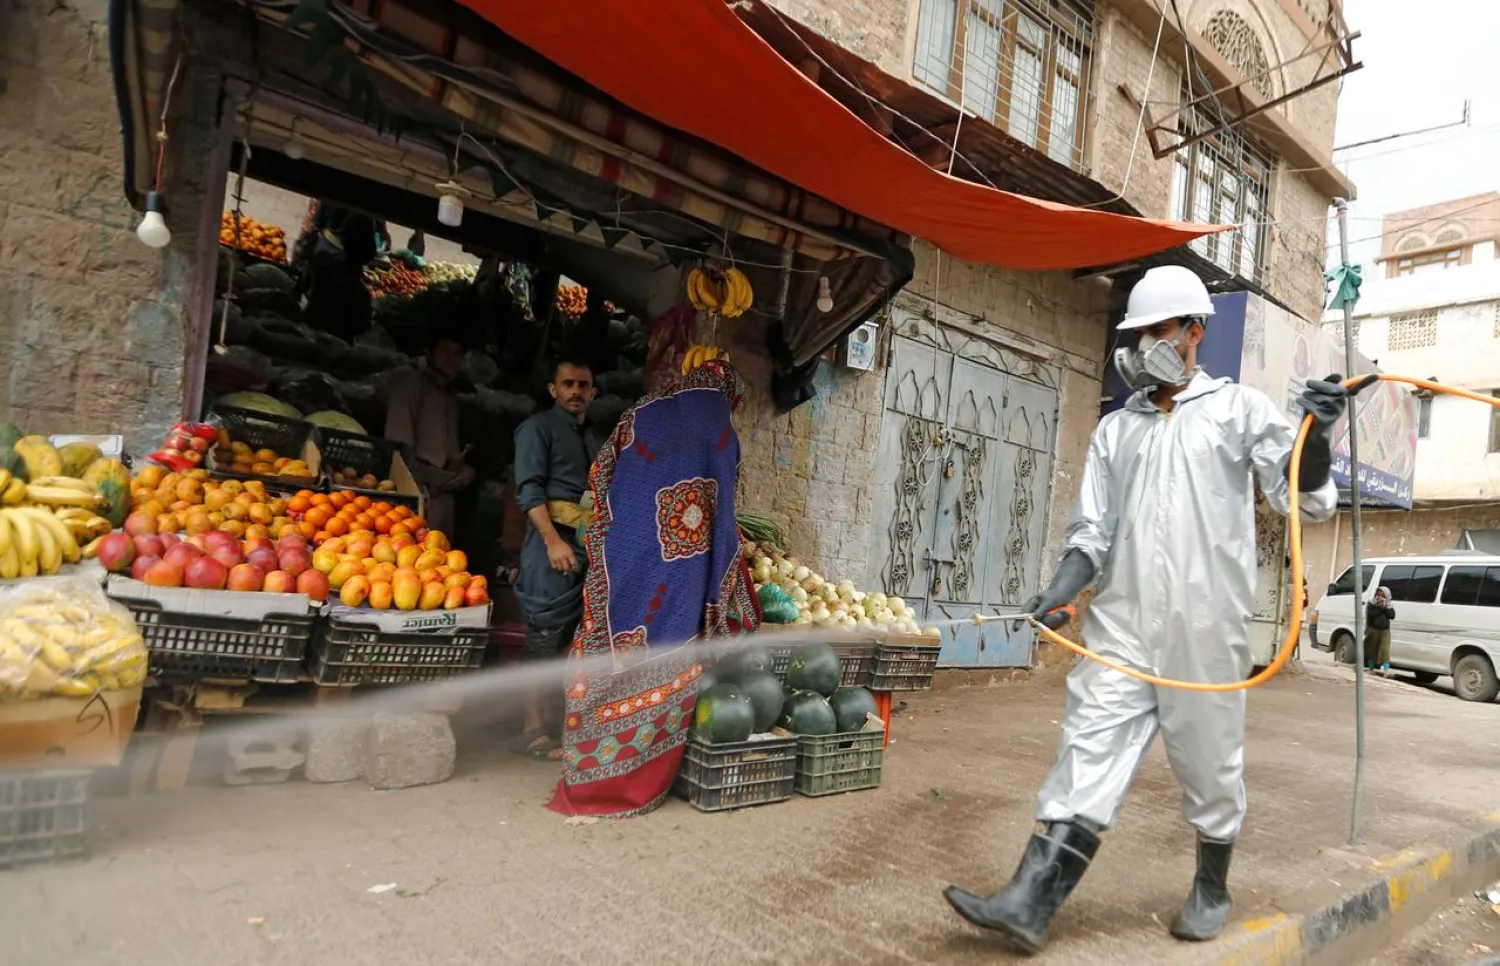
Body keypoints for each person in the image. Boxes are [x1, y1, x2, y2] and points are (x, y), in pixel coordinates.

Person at [943, 265, 1351, 953]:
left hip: (1206, 628)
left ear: (1194, 332)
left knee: (1209, 763)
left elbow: (1305, 498)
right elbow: (1091, 534)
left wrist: (1315, 437)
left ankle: (1212, 886)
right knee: (1087, 748)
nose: (1139, 347)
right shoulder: (1116, 431)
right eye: (1133, 335)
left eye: (1155, 331)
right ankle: (1029, 901)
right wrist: (1062, 586)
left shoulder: (1237, 411)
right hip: (1122, 627)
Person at [547, 360, 761, 816]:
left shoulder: (642, 412)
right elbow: (723, 520)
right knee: (668, 653)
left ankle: (586, 775)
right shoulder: (720, 430)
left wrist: (614, 529)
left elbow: (602, 473)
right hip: (683, 571)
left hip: (625, 553)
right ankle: (632, 783)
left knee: (610, 645)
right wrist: (724, 581)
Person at [511, 358, 605, 760]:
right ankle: (531, 726)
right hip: (552, 544)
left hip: (588, 546)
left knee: (573, 641)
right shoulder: (537, 429)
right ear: (553, 389)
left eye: (583, 385)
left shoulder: (598, 439)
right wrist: (552, 541)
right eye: (567, 384)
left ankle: (557, 722)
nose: (575, 391)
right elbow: (528, 492)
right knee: (543, 634)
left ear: (593, 392)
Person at [384, 330, 475, 535]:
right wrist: (423, 480)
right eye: (444, 351)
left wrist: (465, 471)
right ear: (430, 353)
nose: (451, 359)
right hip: (418, 490)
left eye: (457, 354)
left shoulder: (450, 396)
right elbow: (399, 446)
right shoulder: (410, 386)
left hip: (444, 493)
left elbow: (452, 450)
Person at [1365, 586, 1395, 674]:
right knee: (1372, 649)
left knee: (1385, 649)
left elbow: (1392, 616)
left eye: (1383, 595)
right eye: (1379, 595)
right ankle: (1371, 669)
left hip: (1385, 630)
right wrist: (1379, 606)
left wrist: (1385, 607)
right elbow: (1372, 614)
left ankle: (1386, 670)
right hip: (1373, 629)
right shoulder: (1372, 604)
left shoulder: (1388, 606)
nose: (1380, 597)